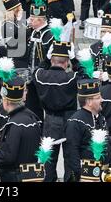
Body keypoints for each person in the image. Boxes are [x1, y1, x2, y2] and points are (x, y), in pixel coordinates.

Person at [0, 76, 42, 182]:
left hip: (15, 177)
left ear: (6, 100)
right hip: (31, 175)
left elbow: (8, 157)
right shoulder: (33, 117)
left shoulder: (14, 124)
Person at [33, 41, 78, 182]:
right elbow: (86, 75)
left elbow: (37, 71)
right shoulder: (71, 78)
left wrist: (46, 59)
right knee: (70, 160)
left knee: (49, 163)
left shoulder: (41, 76)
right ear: (66, 63)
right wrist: (75, 59)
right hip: (69, 121)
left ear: (52, 60)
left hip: (50, 122)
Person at [64, 79, 110, 182]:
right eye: (98, 98)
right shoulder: (75, 122)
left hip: (101, 174)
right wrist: (81, 175)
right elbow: (72, 152)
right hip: (85, 177)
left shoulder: (101, 118)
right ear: (89, 102)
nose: (102, 100)